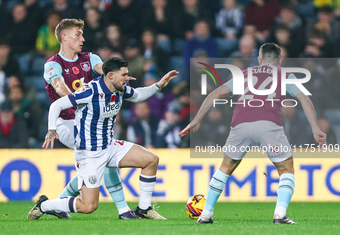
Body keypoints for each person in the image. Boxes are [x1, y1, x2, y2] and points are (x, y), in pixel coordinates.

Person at [179, 43, 326, 224]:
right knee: (286, 169)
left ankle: (205, 214)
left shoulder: (244, 73)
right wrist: (315, 128)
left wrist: (196, 119)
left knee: (225, 168)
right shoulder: (286, 75)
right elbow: (305, 100)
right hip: (268, 123)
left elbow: (214, 94)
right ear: (280, 60)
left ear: (258, 59)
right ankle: (279, 215)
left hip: (240, 124)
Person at [28, 57, 178, 220]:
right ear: (111, 76)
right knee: (88, 206)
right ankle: (44, 205)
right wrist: (52, 129)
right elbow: (56, 105)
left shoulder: (120, 89)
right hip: (89, 153)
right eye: (124, 75)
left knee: (151, 160)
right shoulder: (90, 91)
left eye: (127, 74)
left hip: (110, 146)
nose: (127, 78)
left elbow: (138, 95)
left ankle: (144, 209)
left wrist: (158, 85)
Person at [41, 18, 135, 219]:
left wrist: (119, 77)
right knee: (103, 152)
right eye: (78, 34)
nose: (82, 39)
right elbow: (58, 86)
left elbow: (105, 72)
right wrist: (79, 103)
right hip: (66, 123)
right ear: (64, 37)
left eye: (82, 34)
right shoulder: (53, 64)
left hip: (87, 121)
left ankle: (56, 204)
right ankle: (123, 210)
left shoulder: (90, 58)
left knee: (99, 157)